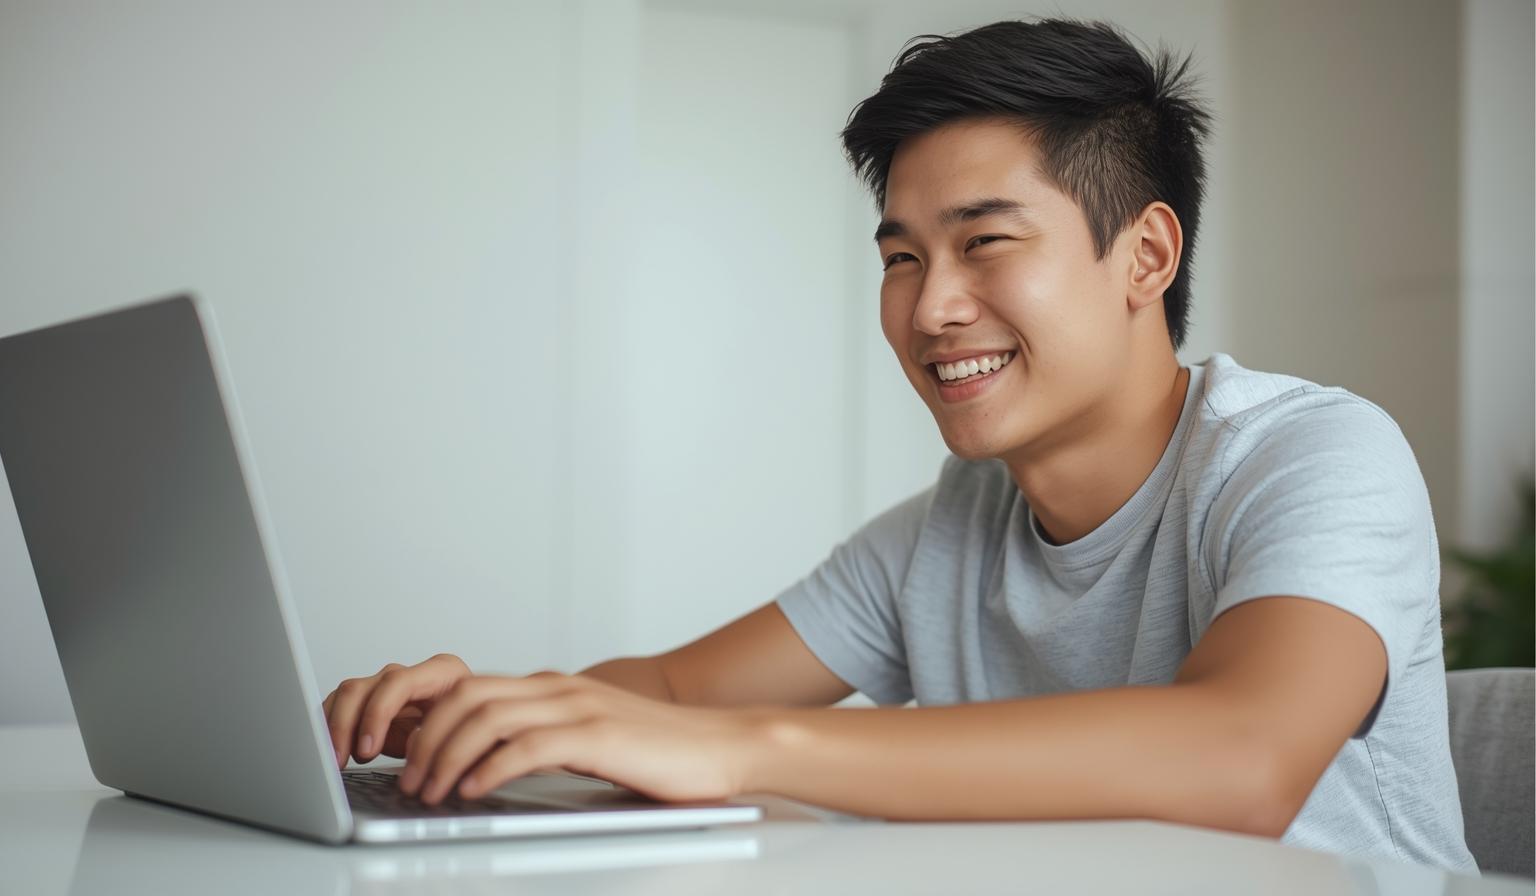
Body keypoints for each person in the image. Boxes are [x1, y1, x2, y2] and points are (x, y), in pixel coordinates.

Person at [321, 17, 1475, 871]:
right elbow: (675, 688)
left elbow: (1239, 756)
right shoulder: (954, 526)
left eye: (984, 242)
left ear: (1146, 255)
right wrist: (494, 711)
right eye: (901, 256)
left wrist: (738, 750)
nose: (930, 309)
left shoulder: (1311, 456)